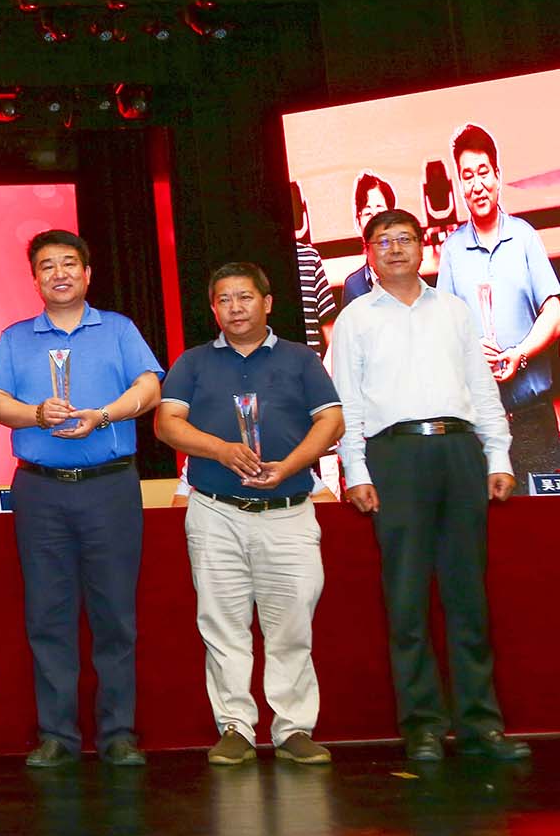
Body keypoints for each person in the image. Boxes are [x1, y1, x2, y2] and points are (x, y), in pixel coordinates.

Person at [331, 209, 529, 762]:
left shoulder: (454, 311)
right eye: (383, 241)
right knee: (407, 596)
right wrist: (356, 470)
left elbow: (482, 389)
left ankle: (481, 724)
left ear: (425, 247)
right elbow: (346, 403)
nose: (395, 248)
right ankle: (422, 726)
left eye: (405, 239)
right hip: (394, 456)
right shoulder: (354, 319)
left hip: (459, 451)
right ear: (368, 253)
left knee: (468, 595)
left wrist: (497, 455)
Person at [0, 229, 163, 768]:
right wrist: (37, 414)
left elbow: (150, 388)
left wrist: (103, 415)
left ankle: (119, 732)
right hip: (40, 490)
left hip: (110, 486)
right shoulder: (16, 337)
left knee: (115, 614)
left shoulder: (119, 329)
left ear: (87, 274)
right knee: (48, 614)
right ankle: (57, 734)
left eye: (68, 264)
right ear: (34, 278)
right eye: (47, 266)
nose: (58, 274)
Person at [153, 262, 343, 767]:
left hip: (289, 510)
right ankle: (235, 726)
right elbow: (167, 424)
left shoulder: (301, 359)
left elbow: (332, 421)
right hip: (216, 512)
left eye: (245, 297)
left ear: (268, 302)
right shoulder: (193, 362)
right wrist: (220, 450)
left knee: (292, 625)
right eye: (224, 299)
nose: (235, 308)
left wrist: (290, 466)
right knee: (222, 624)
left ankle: (293, 728)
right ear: (213, 308)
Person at [437, 124, 560, 485]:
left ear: (497, 175)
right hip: (479, 423)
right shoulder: (452, 250)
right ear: (459, 185)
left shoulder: (524, 237)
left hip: (533, 418)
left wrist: (519, 354)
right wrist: (469, 348)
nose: (477, 184)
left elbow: (554, 316)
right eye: (467, 176)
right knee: (488, 518)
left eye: (483, 172)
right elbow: (442, 332)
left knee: (544, 515)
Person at [337, 172, 396, 309]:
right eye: (368, 213)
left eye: (380, 212)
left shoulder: (408, 273)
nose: (375, 220)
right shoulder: (353, 286)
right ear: (358, 222)